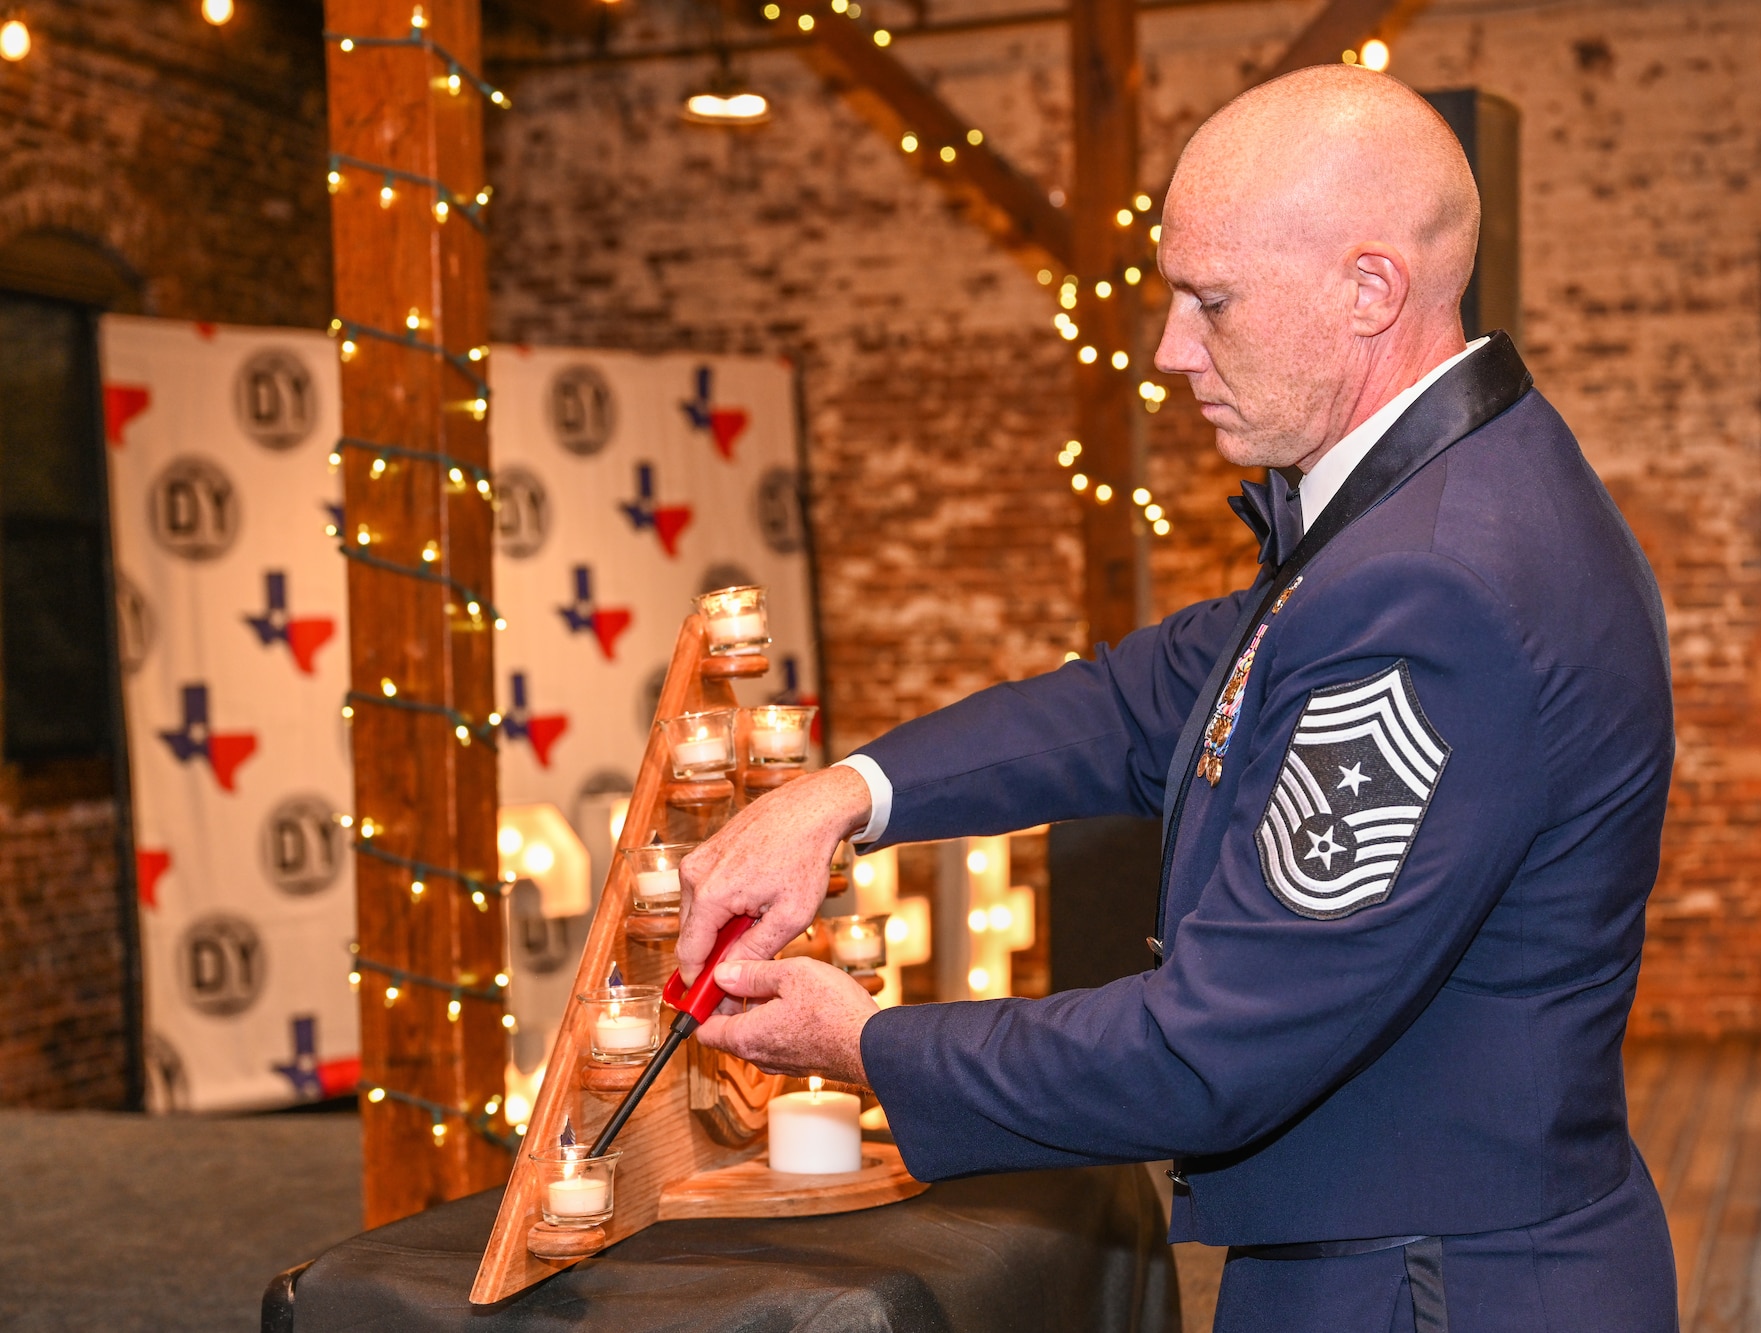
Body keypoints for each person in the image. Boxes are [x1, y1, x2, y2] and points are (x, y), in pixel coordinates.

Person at [676, 65, 1679, 1332]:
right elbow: (1149, 699)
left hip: (1424, 1287)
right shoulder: (1424, 496)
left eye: (1211, 303)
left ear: (1370, 290)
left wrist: (865, 1045)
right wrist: (842, 796)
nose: (1169, 350)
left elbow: (1213, 1046)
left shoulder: (1436, 588)